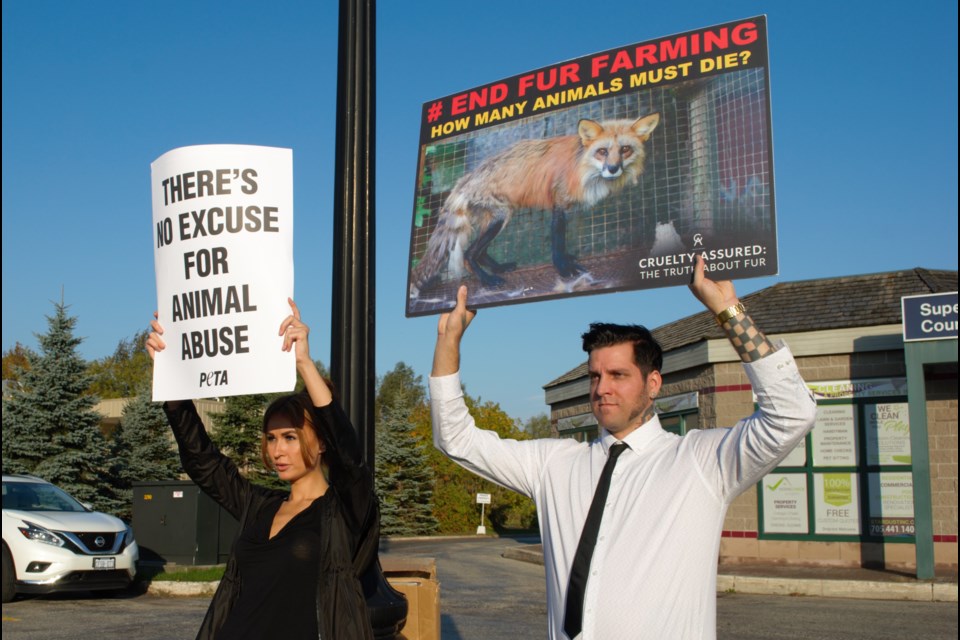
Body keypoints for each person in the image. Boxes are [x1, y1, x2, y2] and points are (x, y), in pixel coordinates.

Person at [429, 256, 817, 640]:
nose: (602, 388)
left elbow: (791, 414)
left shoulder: (700, 462)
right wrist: (449, 341)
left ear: (653, 384)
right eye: (595, 376)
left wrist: (727, 311)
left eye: (618, 375)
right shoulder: (553, 464)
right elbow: (456, 437)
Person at [146, 300, 377, 640]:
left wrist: (304, 363)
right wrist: (170, 383)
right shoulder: (259, 505)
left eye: (290, 437)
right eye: (270, 438)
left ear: (323, 442)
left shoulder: (342, 512)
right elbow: (203, 462)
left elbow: (351, 461)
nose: (276, 450)